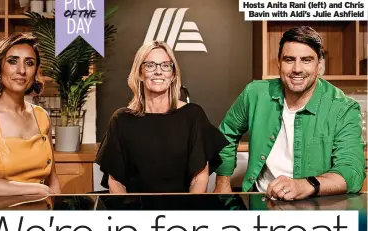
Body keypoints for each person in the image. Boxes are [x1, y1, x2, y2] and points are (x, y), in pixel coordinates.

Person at [214, 26, 366, 200]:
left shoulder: (343, 108)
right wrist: (223, 183)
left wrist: (305, 184)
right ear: (279, 63)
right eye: (289, 59)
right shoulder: (255, 93)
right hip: (261, 201)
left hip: (317, 205)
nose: (297, 69)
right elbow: (226, 134)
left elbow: (351, 172)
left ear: (319, 65)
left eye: (306, 60)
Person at [95, 40, 229, 193]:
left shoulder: (193, 116)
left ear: (172, 75)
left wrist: (189, 213)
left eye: (165, 65)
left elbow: (200, 178)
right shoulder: (121, 120)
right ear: (139, 73)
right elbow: (116, 182)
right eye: (150, 65)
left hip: (181, 211)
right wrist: (129, 216)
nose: (158, 71)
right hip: (135, 211)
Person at [0, 33, 61, 196]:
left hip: (40, 216)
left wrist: (58, 217)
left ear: (35, 71)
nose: (22, 70)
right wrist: (39, 190)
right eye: (12, 61)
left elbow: (53, 181)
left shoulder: (42, 116)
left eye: (29, 63)